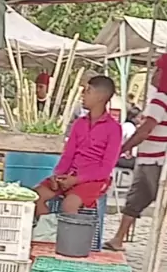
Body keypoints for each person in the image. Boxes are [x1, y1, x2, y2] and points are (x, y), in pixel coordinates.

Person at [105, 55, 167, 251]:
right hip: (151, 159)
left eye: (158, 70)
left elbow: (145, 131)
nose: (154, 74)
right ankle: (118, 239)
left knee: (151, 201)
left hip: (156, 161)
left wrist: (121, 149)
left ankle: (119, 239)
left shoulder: (160, 99)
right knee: (134, 200)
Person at [35, 75, 122, 217]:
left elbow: (105, 169)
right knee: (36, 196)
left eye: (88, 91)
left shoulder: (114, 129)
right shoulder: (79, 123)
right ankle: (47, 230)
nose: (83, 94)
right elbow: (68, 155)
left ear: (100, 97)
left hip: (94, 180)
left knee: (69, 205)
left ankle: (67, 231)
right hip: (69, 175)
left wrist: (76, 180)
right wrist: (57, 176)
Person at [117, 105, 141, 170]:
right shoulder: (130, 127)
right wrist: (128, 152)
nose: (140, 120)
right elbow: (130, 140)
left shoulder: (124, 125)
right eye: (139, 117)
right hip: (123, 157)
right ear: (133, 118)